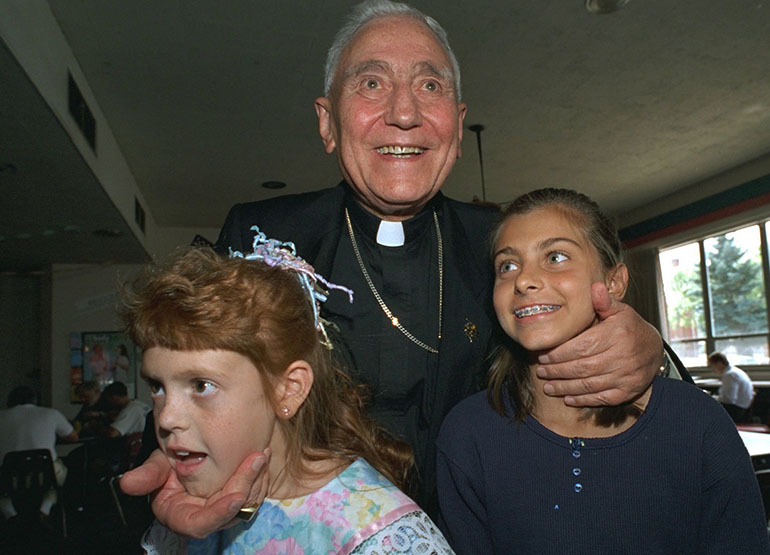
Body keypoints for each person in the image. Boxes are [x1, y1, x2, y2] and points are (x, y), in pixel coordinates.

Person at [121, 0, 676, 535]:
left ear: (457, 129)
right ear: (327, 122)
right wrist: (189, 456)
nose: (404, 113)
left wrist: (647, 351)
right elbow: (197, 383)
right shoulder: (260, 237)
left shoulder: (507, 248)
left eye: (429, 85)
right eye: (371, 83)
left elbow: (609, 360)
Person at [436, 188, 769, 554]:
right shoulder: (468, 434)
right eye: (507, 265)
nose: (524, 280)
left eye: (555, 256)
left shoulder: (697, 421)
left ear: (614, 282)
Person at [122, 240, 452, 553]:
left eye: (200, 385)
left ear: (289, 389)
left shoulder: (377, 537)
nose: (165, 418)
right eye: (157, 386)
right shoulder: (183, 514)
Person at [0, 385, 78, 521]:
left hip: (9, 473)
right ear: (35, 400)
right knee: (56, 478)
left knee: (2, 489)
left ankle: (10, 513)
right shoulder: (51, 413)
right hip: (45, 472)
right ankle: (45, 508)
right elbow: (73, 437)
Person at [708, 351, 755, 423]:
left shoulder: (729, 375)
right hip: (742, 409)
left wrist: (712, 398)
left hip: (736, 411)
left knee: (703, 408)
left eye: (712, 366)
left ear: (719, 363)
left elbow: (728, 400)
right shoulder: (734, 371)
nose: (712, 370)